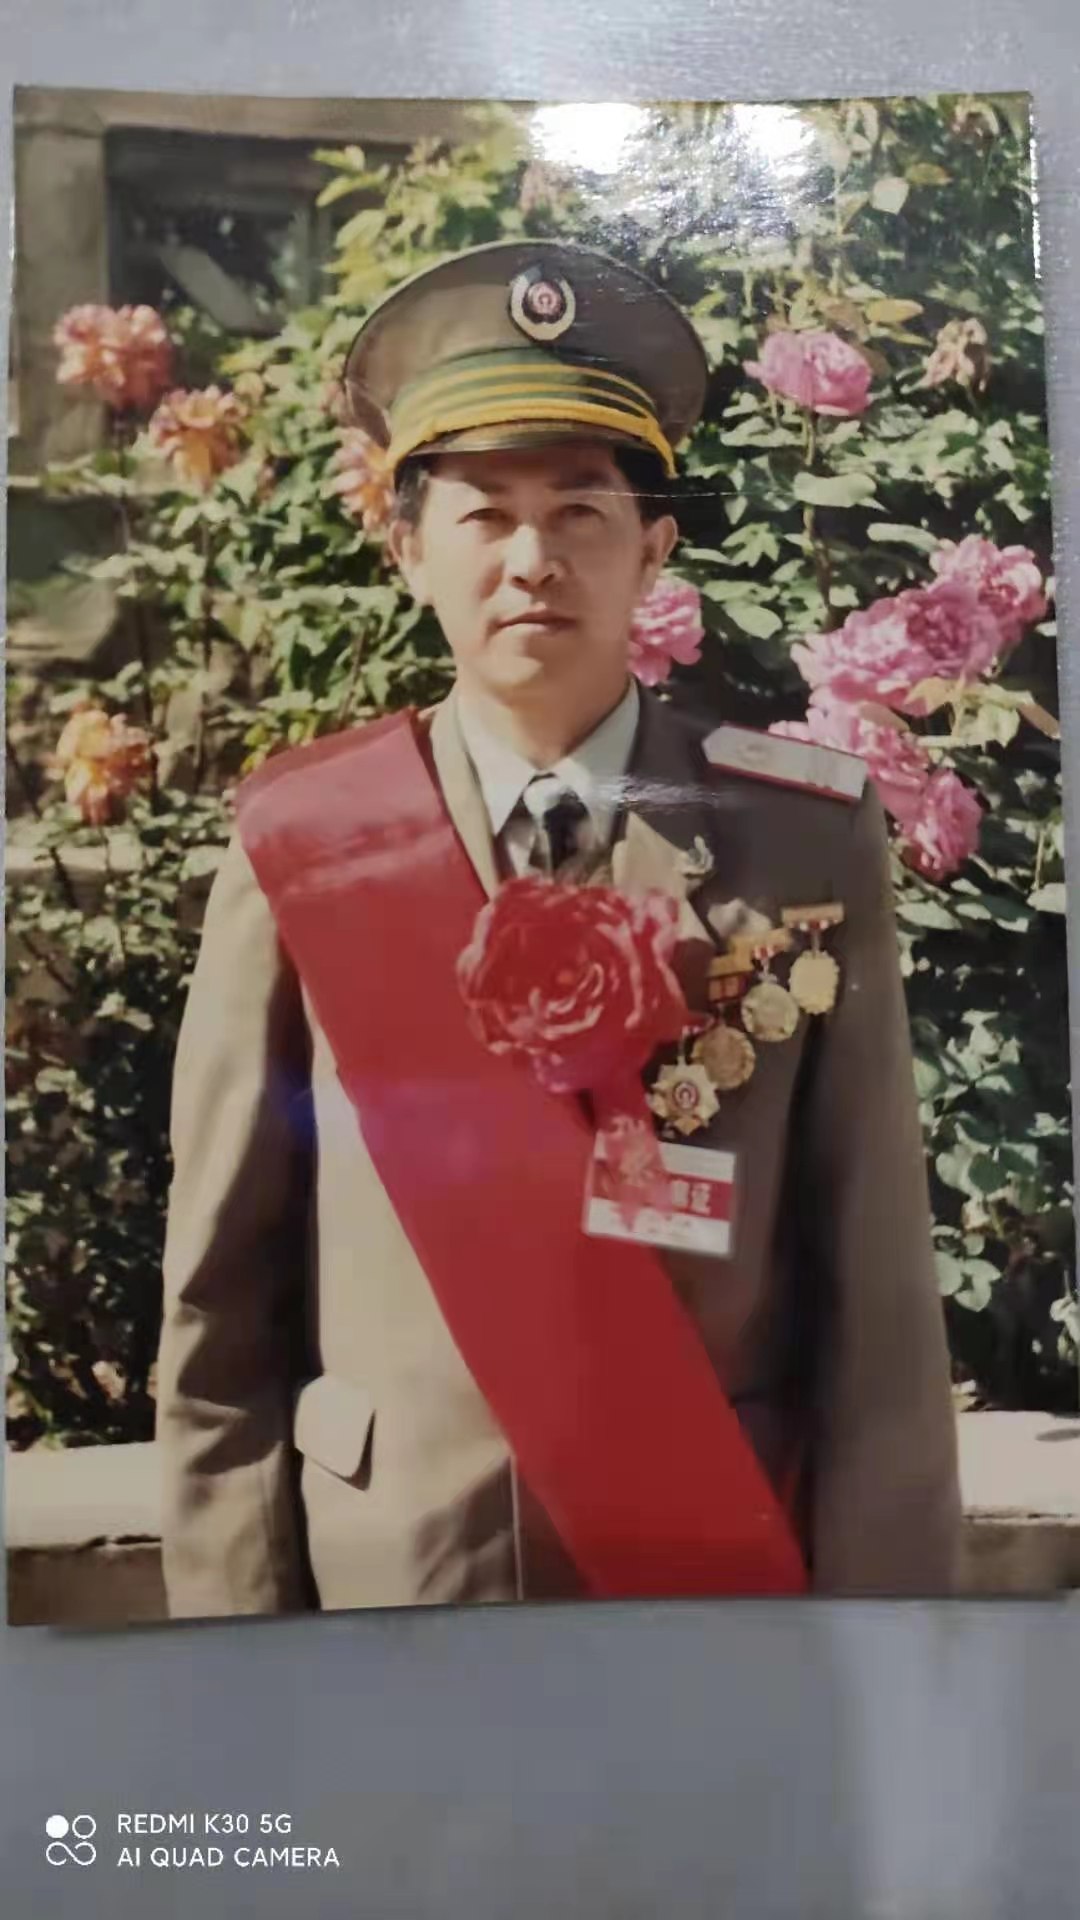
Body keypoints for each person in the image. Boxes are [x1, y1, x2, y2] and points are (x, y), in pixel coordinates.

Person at [156, 239, 962, 1618]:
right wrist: (235, 1654)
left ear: (653, 548)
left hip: (706, 1574)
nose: (533, 562)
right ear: (408, 550)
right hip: (396, 1585)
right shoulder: (307, 841)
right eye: (485, 516)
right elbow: (219, 1314)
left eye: (581, 512)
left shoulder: (801, 839)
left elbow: (876, 1292)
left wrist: (895, 1645)